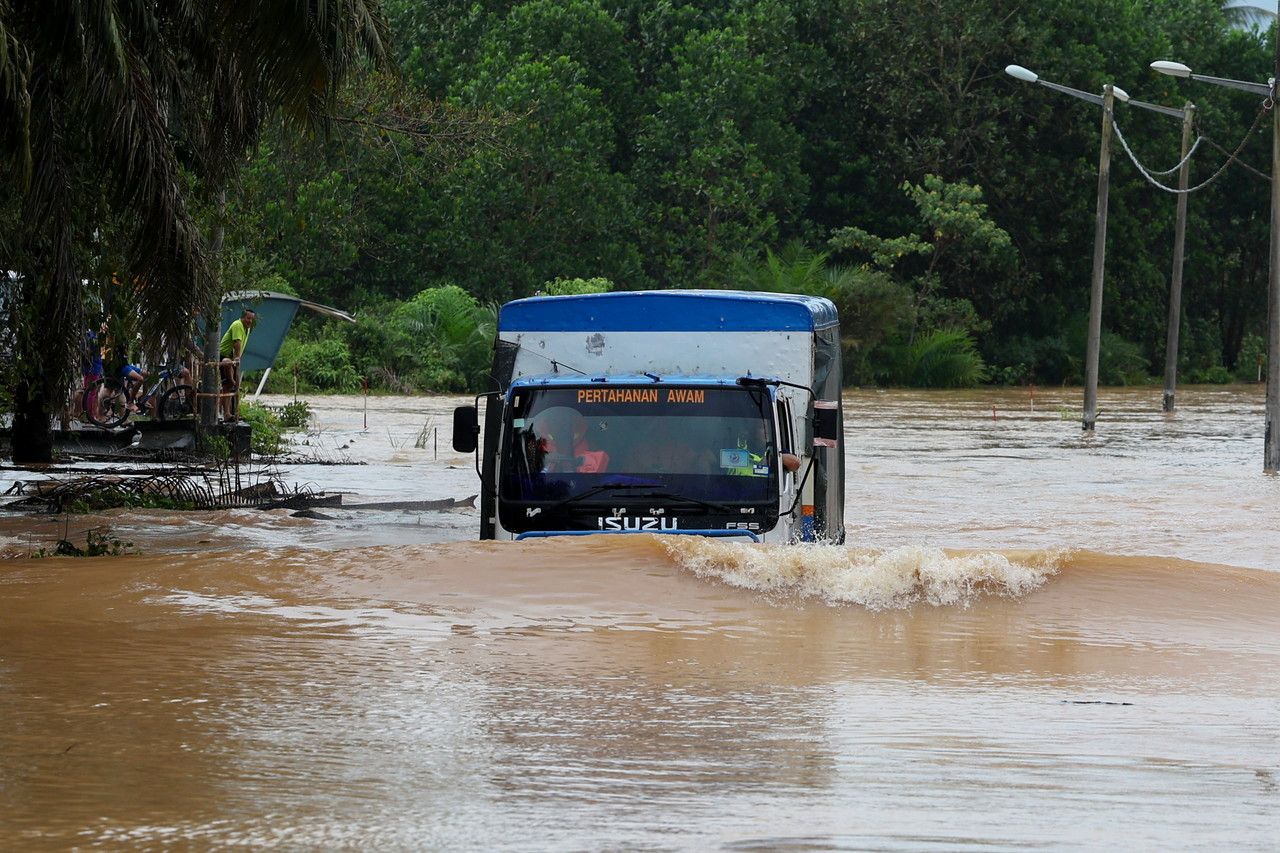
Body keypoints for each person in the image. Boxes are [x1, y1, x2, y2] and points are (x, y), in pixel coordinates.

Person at [531, 407, 609, 473]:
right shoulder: (539, 448)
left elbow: (592, 478)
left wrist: (572, 463)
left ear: (573, 422)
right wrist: (545, 461)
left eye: (565, 421)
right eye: (555, 421)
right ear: (548, 424)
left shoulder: (595, 454)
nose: (560, 426)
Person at [218, 308, 256, 422]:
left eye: (252, 319)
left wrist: (237, 359)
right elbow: (237, 343)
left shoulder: (247, 328)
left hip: (233, 358)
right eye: (248, 318)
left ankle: (230, 413)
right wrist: (237, 358)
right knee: (228, 384)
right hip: (224, 356)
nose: (250, 321)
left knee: (231, 387)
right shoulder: (237, 324)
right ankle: (225, 413)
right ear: (243, 317)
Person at [725, 420, 800, 476]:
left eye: (767, 427)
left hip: (766, 491)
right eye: (762, 427)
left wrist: (773, 459)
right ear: (753, 431)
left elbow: (796, 464)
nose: (766, 431)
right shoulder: (738, 448)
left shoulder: (772, 449)